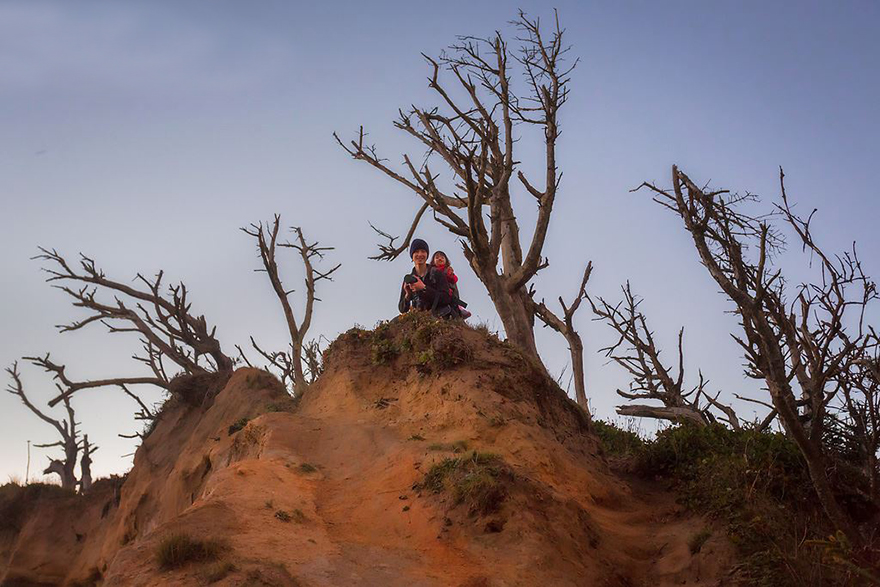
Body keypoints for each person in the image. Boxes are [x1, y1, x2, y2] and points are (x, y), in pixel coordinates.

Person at [398, 239, 456, 317]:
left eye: (423, 251)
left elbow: (446, 299)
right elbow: (402, 309)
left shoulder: (437, 273)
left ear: (427, 255)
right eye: (416, 252)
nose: (420, 254)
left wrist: (424, 288)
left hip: (440, 316)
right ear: (412, 256)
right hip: (419, 318)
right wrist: (408, 295)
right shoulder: (410, 279)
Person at [431, 251, 471, 319]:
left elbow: (454, 280)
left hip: (450, 291)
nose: (440, 259)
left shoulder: (447, 270)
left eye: (442, 257)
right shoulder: (432, 271)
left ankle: (459, 308)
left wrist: (450, 275)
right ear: (433, 262)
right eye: (437, 258)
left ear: (446, 261)